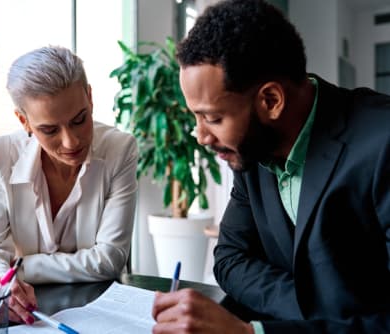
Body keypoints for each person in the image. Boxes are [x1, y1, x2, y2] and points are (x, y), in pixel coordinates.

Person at [152, 0, 390, 333]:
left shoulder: (383, 144)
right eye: (195, 117)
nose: (201, 136)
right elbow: (231, 258)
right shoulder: (251, 149)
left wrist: (251, 333)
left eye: (213, 118)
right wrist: (317, 310)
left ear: (271, 101)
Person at [0, 45, 138, 325]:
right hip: (31, 314)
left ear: (90, 97)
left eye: (79, 120)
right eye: (49, 130)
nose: (71, 142)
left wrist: (22, 267)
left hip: (99, 312)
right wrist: (5, 285)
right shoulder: (0, 155)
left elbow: (110, 259)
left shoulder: (119, 149)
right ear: (24, 121)